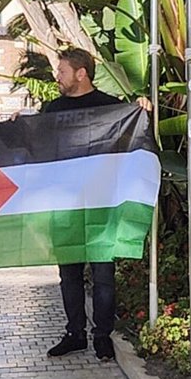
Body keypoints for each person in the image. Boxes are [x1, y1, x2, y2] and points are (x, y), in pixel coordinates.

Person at [16, 48, 152, 362]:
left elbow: (133, 135)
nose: (56, 77)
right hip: (64, 206)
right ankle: (74, 334)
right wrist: (19, 126)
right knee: (70, 275)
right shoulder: (53, 108)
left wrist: (142, 108)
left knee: (104, 275)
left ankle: (102, 336)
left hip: (102, 206)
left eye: (61, 71)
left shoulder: (110, 107)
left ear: (81, 73)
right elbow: (35, 142)